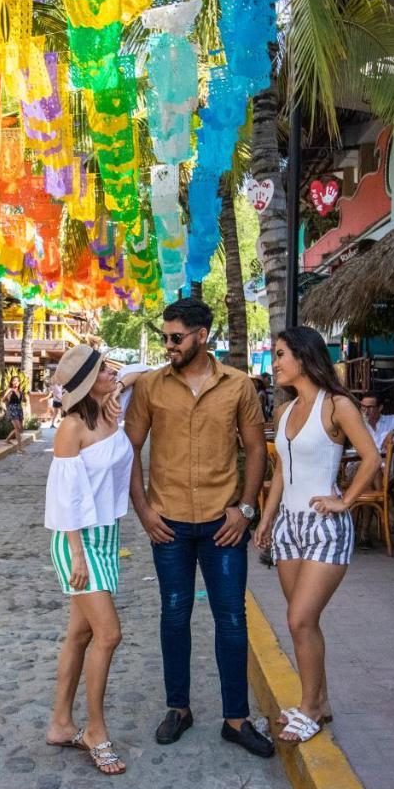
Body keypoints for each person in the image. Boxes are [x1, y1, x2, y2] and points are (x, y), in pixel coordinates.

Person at [124, 298, 273, 758]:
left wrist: (245, 510)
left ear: (201, 336)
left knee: (231, 617)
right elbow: (128, 450)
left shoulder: (239, 386)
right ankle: (179, 708)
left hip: (222, 524)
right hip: (167, 522)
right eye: (165, 337)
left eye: (176, 338)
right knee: (174, 615)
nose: (168, 345)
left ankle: (236, 719)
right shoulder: (150, 387)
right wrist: (145, 511)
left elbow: (256, 450)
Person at [255, 327, 380, 743]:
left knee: (300, 618)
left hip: (325, 527)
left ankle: (309, 709)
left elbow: (371, 458)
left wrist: (345, 501)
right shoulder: (284, 412)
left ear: (304, 358)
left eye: (280, 355)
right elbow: (280, 474)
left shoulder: (338, 405)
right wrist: (266, 520)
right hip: (289, 525)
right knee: (302, 623)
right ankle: (320, 702)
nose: (275, 363)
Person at [44, 345, 133, 775]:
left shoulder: (111, 409)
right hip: (77, 543)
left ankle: (61, 724)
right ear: (84, 384)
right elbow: (66, 500)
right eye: (102, 371)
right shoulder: (72, 428)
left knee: (79, 636)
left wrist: (117, 388)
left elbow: (142, 369)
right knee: (109, 634)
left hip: (106, 538)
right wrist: (77, 555)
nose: (111, 373)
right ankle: (96, 729)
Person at [1, 375, 25, 445]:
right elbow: (3, 399)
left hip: (19, 409)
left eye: (17, 381)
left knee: (20, 428)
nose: (16, 382)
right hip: (12, 409)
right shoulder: (10, 390)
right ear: (11, 382)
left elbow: (24, 400)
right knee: (17, 428)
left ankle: (7, 440)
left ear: (19, 382)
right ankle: (19, 447)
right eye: (14, 381)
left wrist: (23, 395)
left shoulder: (20, 391)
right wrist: (7, 393)